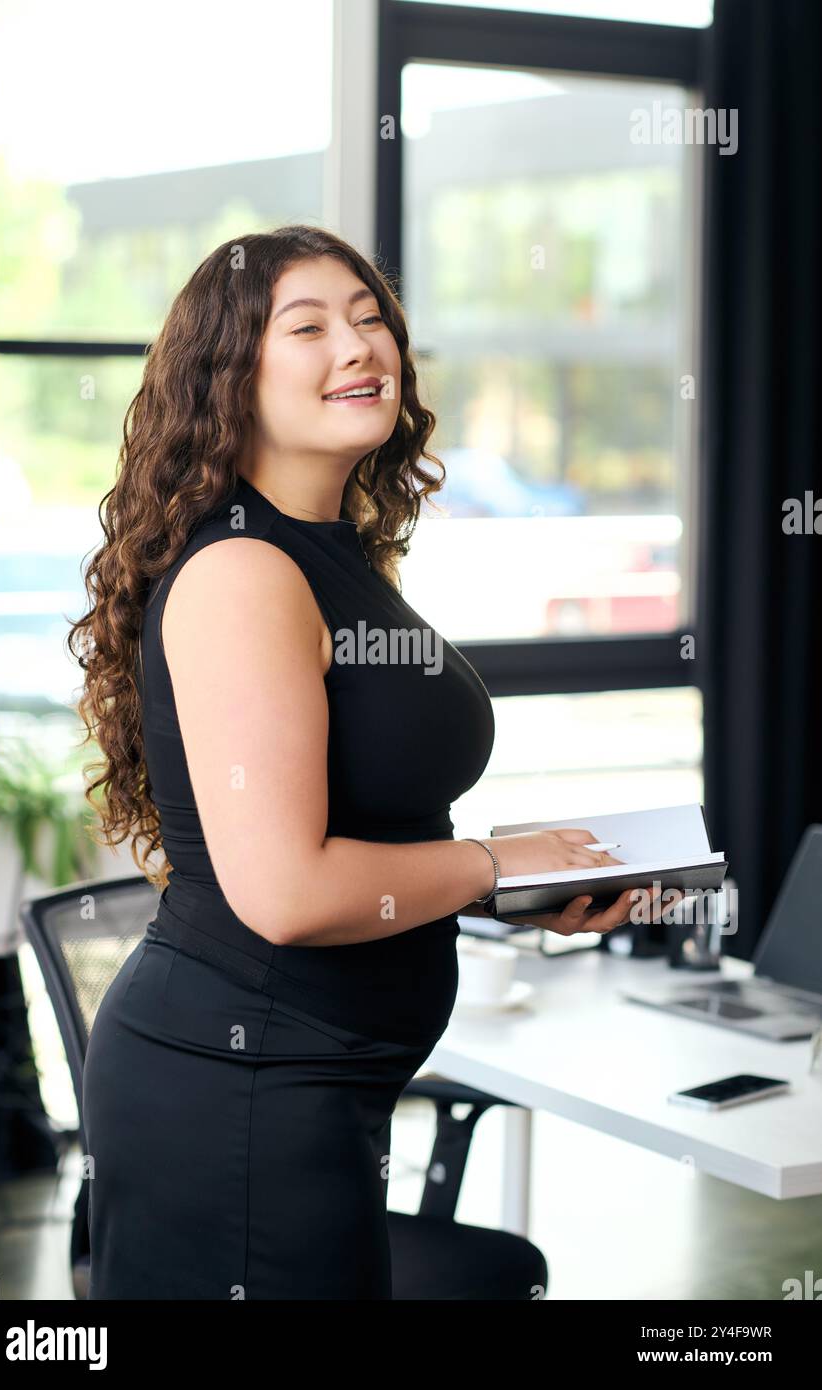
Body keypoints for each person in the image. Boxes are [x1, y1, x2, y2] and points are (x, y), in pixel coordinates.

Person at [74, 225, 634, 1300]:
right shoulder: (245, 570)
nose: (358, 344)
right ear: (230, 376)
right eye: (310, 325)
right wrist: (490, 864)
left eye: (370, 316)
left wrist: (512, 891)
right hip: (235, 1098)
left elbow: (366, 826)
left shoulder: (329, 553)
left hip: (312, 1092)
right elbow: (283, 891)